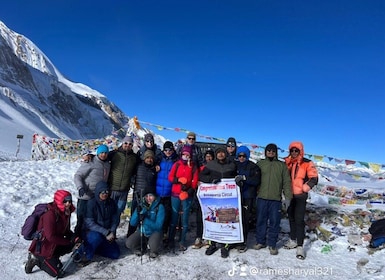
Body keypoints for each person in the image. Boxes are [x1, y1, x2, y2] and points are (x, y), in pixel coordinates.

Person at [25, 190, 76, 278]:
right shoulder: (50, 214)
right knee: (59, 273)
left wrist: (74, 238)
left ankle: (53, 258)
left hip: (54, 244)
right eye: (65, 201)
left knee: (73, 244)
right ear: (59, 201)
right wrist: (67, 241)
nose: (68, 203)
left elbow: (66, 231)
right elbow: (50, 237)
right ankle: (36, 259)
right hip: (44, 248)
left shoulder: (66, 212)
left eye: (70, 201)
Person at [198, 146, 237, 258]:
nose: (220, 154)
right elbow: (201, 176)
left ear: (226, 154)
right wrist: (210, 180)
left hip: (227, 198)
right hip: (214, 197)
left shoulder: (232, 165)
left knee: (227, 220)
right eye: (218, 153)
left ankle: (226, 245)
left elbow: (236, 178)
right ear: (216, 155)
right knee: (213, 220)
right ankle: (212, 244)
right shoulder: (210, 165)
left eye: (222, 153)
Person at [253, 143, 292, 255]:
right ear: (265, 152)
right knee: (261, 221)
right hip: (262, 198)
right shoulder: (260, 164)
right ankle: (260, 241)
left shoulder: (281, 166)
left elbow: (286, 182)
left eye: (273, 151)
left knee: (275, 222)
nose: (271, 152)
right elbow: (255, 179)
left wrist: (288, 197)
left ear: (276, 152)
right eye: (268, 151)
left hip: (275, 199)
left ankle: (272, 244)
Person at [283, 141, 318, 260]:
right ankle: (292, 240)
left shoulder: (307, 163)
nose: (293, 152)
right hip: (289, 195)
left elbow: (314, 178)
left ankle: (300, 246)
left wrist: (305, 188)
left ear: (300, 151)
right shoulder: (288, 162)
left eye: (296, 150)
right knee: (291, 218)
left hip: (300, 196)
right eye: (292, 150)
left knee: (299, 220)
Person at [74, 181, 120, 265]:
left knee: (115, 254)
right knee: (96, 237)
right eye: (102, 192)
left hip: (106, 233)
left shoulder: (111, 203)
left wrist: (112, 231)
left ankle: (94, 248)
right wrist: (106, 232)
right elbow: (89, 223)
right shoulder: (92, 203)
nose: (104, 194)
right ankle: (84, 255)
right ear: (98, 192)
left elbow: (115, 219)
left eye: (106, 192)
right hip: (91, 232)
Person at [74, 144, 111, 237]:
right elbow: (78, 175)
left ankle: (89, 240)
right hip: (85, 196)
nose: (103, 155)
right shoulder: (90, 162)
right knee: (81, 219)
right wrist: (80, 187)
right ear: (98, 153)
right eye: (101, 152)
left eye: (105, 153)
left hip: (97, 198)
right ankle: (77, 239)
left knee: (92, 220)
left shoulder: (107, 164)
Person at [167, 145, 199, 251]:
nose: (186, 156)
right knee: (174, 219)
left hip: (186, 196)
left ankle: (182, 241)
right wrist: (178, 179)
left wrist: (189, 191)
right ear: (181, 154)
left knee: (185, 220)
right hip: (175, 194)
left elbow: (195, 182)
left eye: (188, 154)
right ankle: (170, 240)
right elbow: (170, 177)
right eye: (184, 154)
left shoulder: (193, 167)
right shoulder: (177, 164)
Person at [234, 146, 261, 253]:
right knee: (234, 218)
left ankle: (242, 242)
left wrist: (245, 178)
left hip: (247, 196)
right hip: (235, 196)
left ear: (247, 156)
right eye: (239, 155)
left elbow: (256, 180)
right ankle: (234, 239)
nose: (241, 158)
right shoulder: (234, 165)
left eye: (244, 156)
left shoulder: (253, 166)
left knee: (245, 219)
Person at [127, 149, 158, 237]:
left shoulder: (154, 169)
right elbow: (131, 174)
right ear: (144, 158)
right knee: (134, 216)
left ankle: (142, 236)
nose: (149, 159)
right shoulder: (138, 166)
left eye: (151, 158)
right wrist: (132, 181)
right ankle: (130, 235)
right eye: (147, 157)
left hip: (148, 198)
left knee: (145, 217)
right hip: (138, 195)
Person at [125, 191, 165, 258]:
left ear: (155, 197)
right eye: (146, 196)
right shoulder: (141, 205)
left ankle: (152, 249)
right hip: (143, 231)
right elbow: (132, 223)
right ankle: (141, 246)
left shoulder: (160, 207)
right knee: (129, 243)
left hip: (155, 232)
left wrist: (145, 220)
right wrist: (137, 214)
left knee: (153, 246)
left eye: (151, 196)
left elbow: (158, 226)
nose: (148, 198)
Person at [108, 136, 139, 219]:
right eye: (126, 143)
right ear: (122, 143)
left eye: (130, 144)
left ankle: (113, 232)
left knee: (118, 213)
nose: (127, 145)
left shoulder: (134, 158)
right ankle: (106, 231)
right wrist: (90, 156)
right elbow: (101, 157)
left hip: (124, 191)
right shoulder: (114, 154)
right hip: (112, 189)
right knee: (108, 212)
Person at [155, 141, 179, 244]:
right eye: (166, 150)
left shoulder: (176, 160)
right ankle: (156, 234)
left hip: (170, 192)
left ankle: (165, 234)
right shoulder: (159, 159)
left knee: (167, 215)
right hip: (158, 192)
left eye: (170, 150)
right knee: (157, 214)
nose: (168, 152)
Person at [192, 148, 215, 249]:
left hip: (211, 197)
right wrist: (196, 183)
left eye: (210, 156)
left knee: (209, 217)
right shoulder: (200, 168)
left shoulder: (215, 168)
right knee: (199, 217)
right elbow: (196, 179)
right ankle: (198, 236)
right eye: (207, 156)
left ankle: (207, 237)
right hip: (201, 196)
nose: (209, 158)